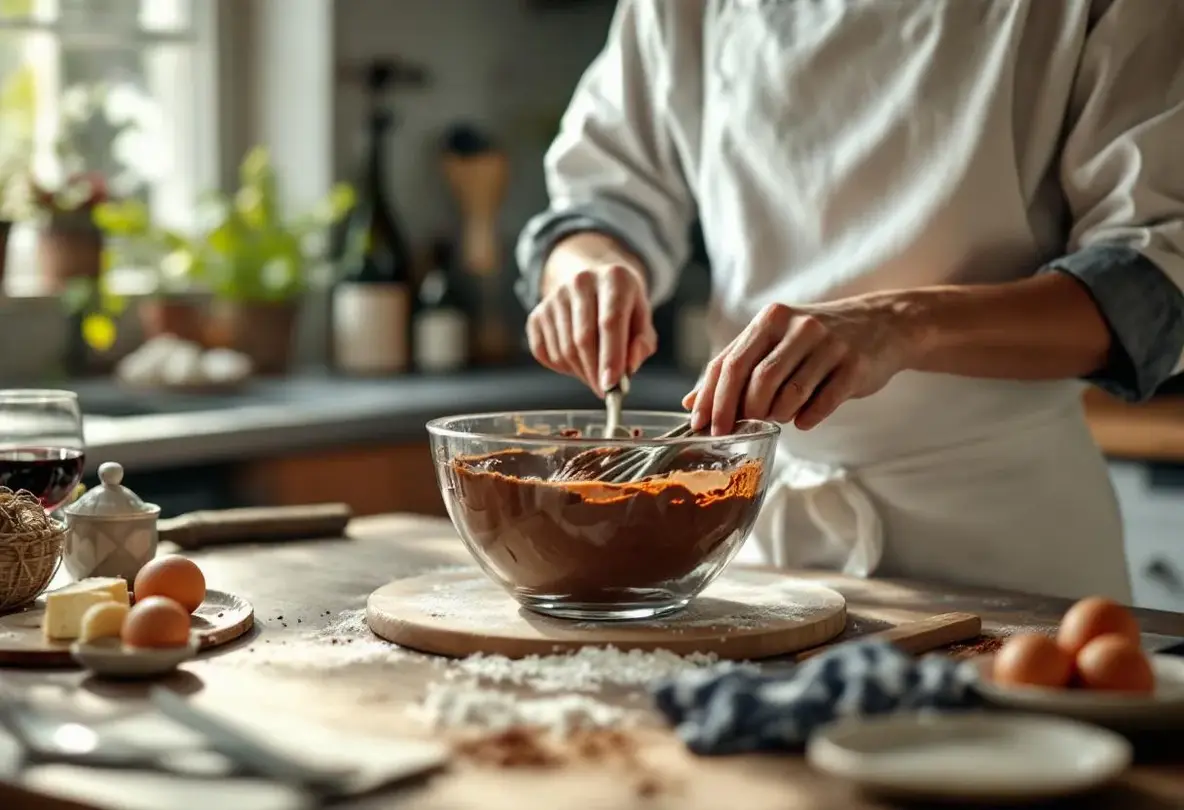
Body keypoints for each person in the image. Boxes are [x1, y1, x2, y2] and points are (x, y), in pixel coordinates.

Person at [514, 0, 1184, 602]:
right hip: (751, 555)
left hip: (1004, 550)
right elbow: (600, 198)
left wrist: (902, 326)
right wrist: (588, 267)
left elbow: (1150, 285)